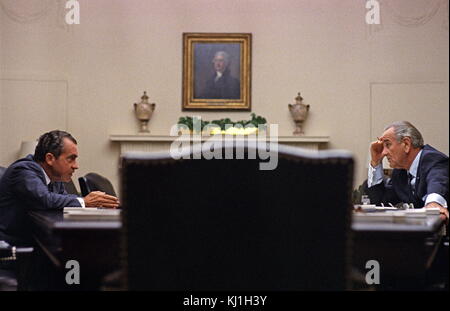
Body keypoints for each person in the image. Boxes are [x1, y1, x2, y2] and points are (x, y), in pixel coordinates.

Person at [0, 130, 120, 245]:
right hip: (14, 249)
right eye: (71, 159)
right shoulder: (23, 170)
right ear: (50, 159)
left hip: (37, 242)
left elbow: (63, 199)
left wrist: (95, 205)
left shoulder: (55, 176)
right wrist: (84, 201)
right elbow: (45, 199)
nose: (76, 166)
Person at [366, 121, 449, 218]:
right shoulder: (400, 172)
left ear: (406, 144)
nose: (384, 153)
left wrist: (434, 203)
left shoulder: (432, 159)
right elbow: (380, 202)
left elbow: (438, 181)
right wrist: (375, 162)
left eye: (388, 145)